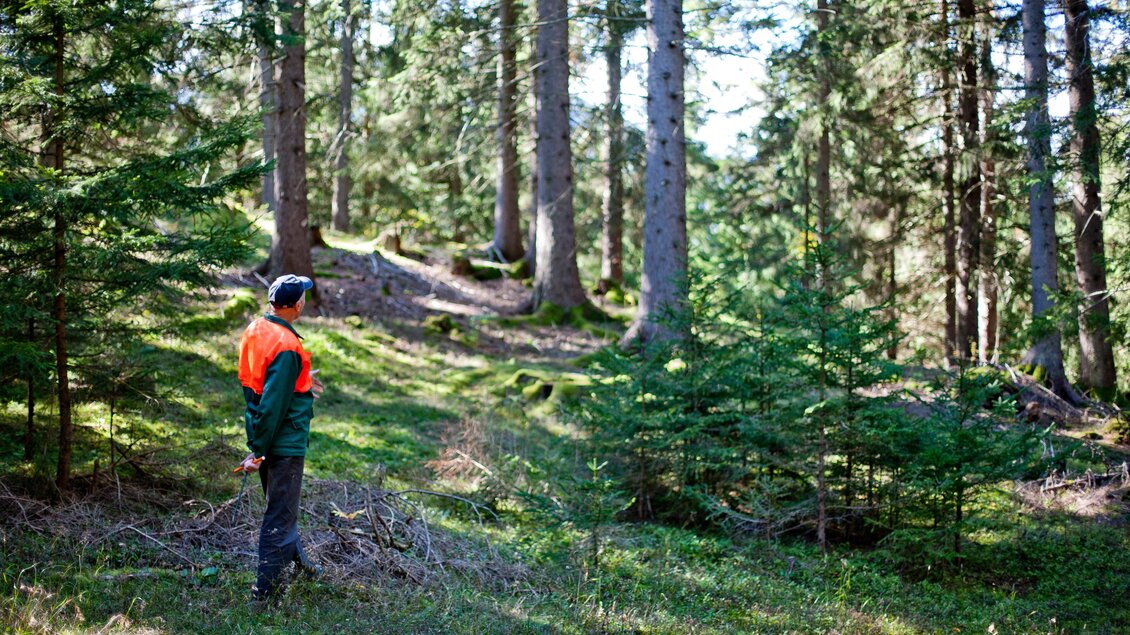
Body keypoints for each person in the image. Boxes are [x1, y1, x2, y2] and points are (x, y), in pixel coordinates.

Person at [237, 274, 325, 600]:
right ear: (297, 305)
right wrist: (258, 450)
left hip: (266, 433)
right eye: (303, 296)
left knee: (281, 507)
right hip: (281, 442)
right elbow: (273, 404)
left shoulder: (257, 330)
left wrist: (300, 380)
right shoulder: (287, 346)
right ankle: (267, 596)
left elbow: (262, 385)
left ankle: (303, 568)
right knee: (280, 516)